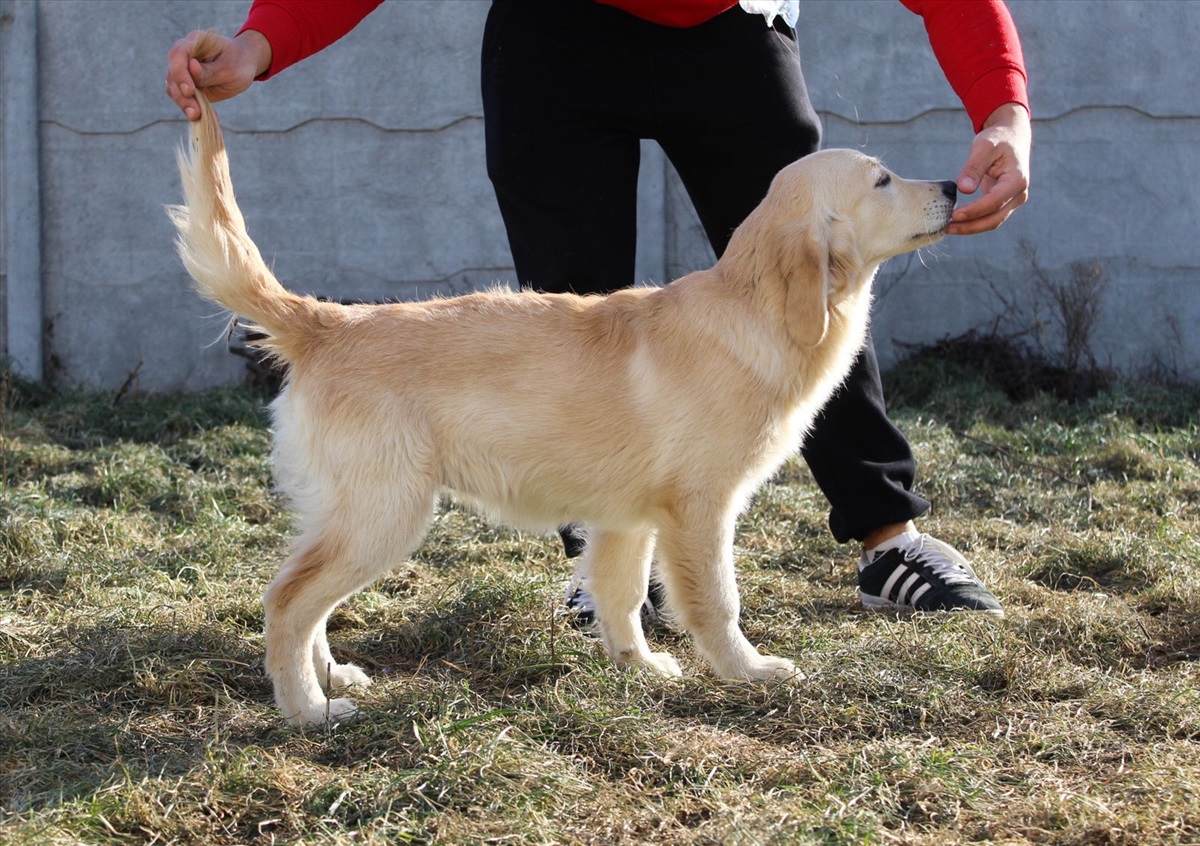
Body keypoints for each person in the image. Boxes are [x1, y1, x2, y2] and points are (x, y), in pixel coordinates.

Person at [166, 0, 1031, 619]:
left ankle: (889, 538)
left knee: (812, 281)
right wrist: (261, 39)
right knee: (571, 316)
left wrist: (1004, 109)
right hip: (557, 35)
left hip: (730, 29)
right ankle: (603, 576)